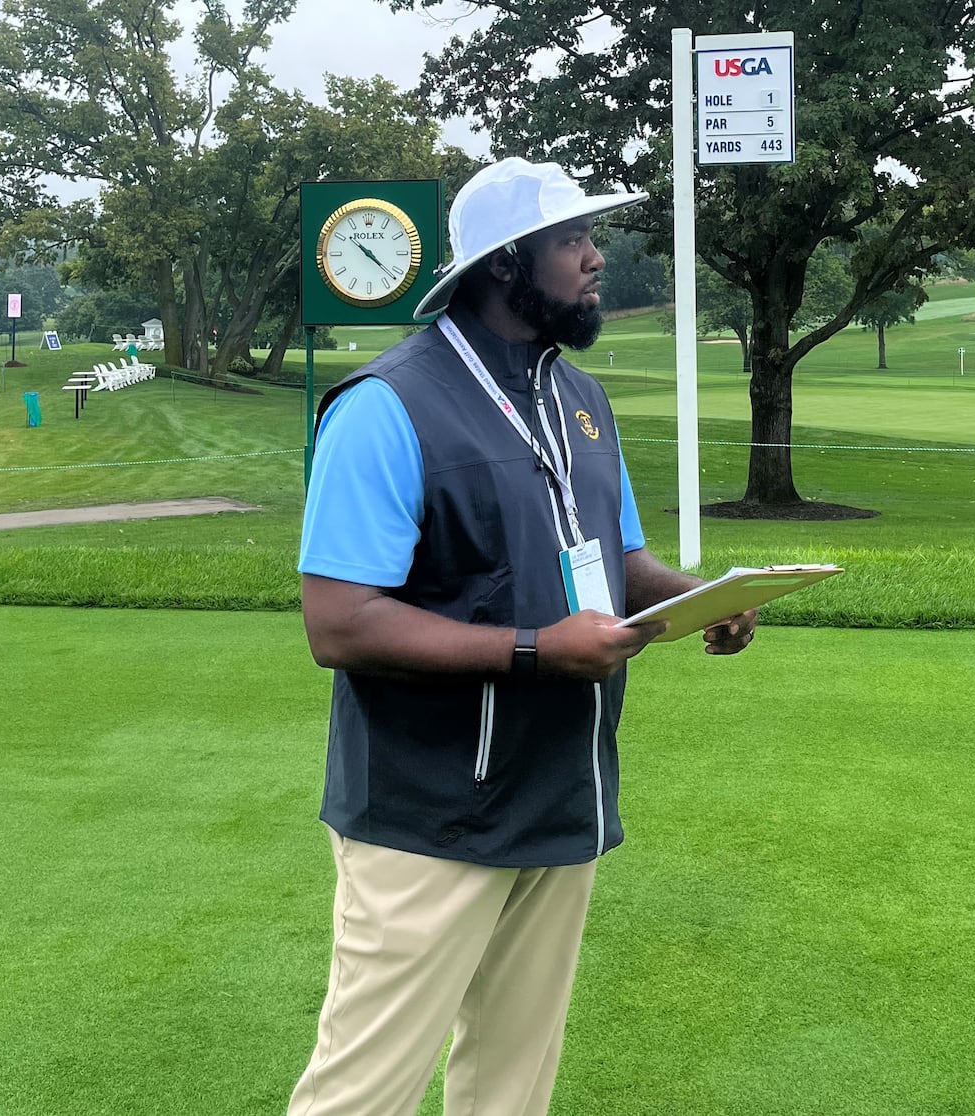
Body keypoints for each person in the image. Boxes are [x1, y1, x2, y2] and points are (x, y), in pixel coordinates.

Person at [289, 157, 756, 1116]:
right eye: (572, 241)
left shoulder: (578, 397)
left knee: (510, 1089)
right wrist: (539, 650)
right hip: (430, 815)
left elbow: (616, 560)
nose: (595, 258)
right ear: (507, 265)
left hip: (559, 790)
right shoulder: (386, 405)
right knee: (363, 1094)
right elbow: (338, 623)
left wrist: (701, 596)